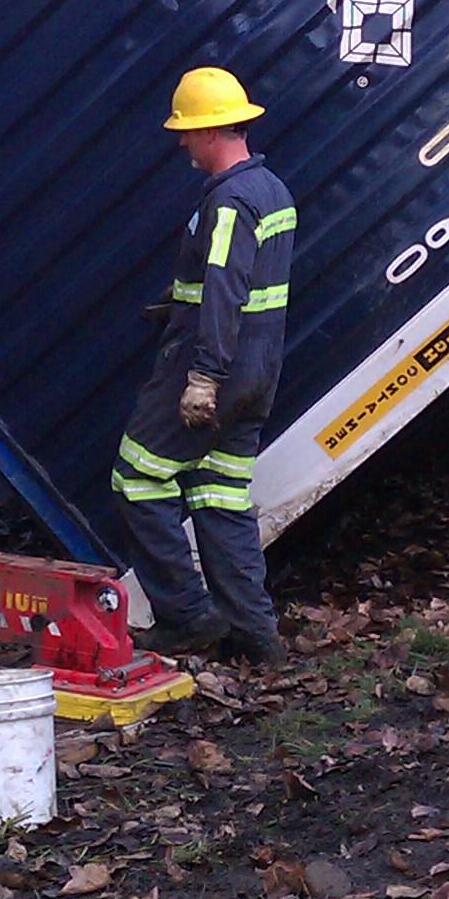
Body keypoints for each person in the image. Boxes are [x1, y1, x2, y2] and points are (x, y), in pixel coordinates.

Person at [111, 66, 293, 660]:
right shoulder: (272, 191)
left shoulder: (230, 201)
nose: (181, 141)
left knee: (137, 478)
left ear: (212, 131)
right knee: (220, 497)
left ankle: (187, 615)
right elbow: (239, 283)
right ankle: (257, 638)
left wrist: (201, 378)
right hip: (258, 374)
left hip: (211, 373)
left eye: (186, 131)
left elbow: (223, 288)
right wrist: (176, 300)